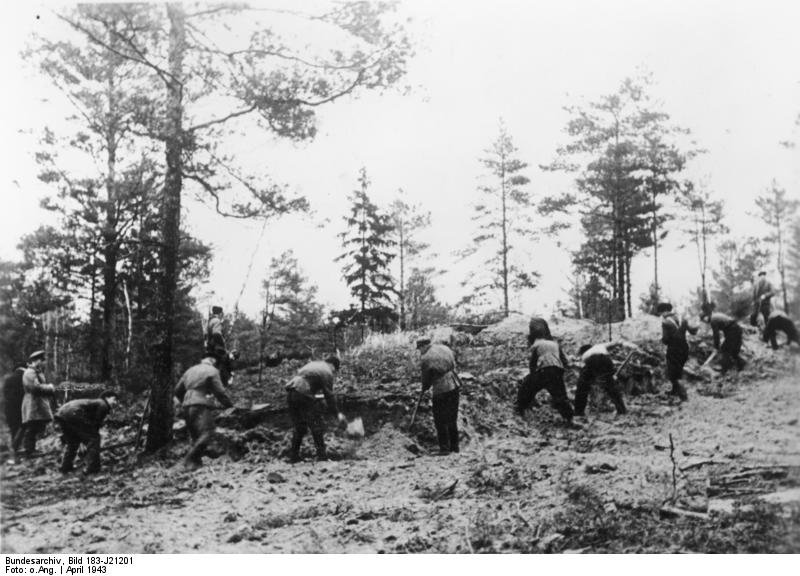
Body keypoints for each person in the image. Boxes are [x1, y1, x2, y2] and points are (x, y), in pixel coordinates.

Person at [174, 355, 234, 470]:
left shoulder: (189, 370)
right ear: (213, 362)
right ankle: (188, 460)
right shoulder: (212, 371)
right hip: (200, 405)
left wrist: (186, 401)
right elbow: (220, 392)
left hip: (187, 406)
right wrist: (229, 406)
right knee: (208, 432)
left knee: (195, 436)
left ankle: (195, 466)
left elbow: (177, 391)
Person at [285, 356, 346, 463]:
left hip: (291, 393)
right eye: (335, 370)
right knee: (316, 424)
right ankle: (322, 456)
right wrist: (338, 414)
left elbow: (308, 383)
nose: (334, 373)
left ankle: (293, 456)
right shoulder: (327, 371)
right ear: (333, 366)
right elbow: (329, 396)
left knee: (300, 426)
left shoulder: (314, 365)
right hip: (302, 392)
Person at [516, 328, 574, 424]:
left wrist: (532, 376)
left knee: (527, 387)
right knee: (560, 395)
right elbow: (565, 360)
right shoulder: (555, 344)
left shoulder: (536, 344)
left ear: (533, 339)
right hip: (558, 370)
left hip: (545, 370)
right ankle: (569, 418)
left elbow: (533, 363)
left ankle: (521, 408)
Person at [54, 390, 119, 474]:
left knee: (73, 442)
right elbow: (96, 425)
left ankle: (66, 467)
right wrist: (89, 442)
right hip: (74, 413)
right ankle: (93, 468)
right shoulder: (103, 404)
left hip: (62, 413)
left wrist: (83, 439)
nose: (116, 402)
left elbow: (88, 424)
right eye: (114, 399)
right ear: (107, 398)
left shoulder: (95, 403)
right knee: (94, 438)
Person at [417, 338, 461, 455]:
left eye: (420, 349)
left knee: (440, 419)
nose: (420, 352)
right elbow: (454, 363)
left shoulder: (426, 358)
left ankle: (444, 449)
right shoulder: (445, 348)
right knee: (452, 418)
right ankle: (455, 447)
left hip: (442, 388)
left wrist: (424, 388)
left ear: (424, 346)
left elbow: (426, 379)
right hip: (455, 383)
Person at [574, 343, 627, 418]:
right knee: (611, 386)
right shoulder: (600, 346)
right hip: (607, 360)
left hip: (593, 360)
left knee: (582, 387)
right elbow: (615, 343)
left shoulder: (586, 354)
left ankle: (578, 412)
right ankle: (622, 410)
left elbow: (590, 371)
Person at [658, 303, 697, 401]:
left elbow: (666, 339)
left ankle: (683, 396)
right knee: (678, 370)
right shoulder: (679, 318)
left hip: (674, 348)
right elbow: (692, 331)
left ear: (665, 311)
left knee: (672, 373)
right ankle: (675, 391)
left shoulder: (665, 322)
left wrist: (662, 340)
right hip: (684, 347)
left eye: (661, 312)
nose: (661, 315)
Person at [20, 350, 56, 457]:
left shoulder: (36, 371)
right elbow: (35, 388)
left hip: (37, 403)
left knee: (35, 427)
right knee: (32, 427)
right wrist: (49, 387)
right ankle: (29, 451)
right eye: (42, 360)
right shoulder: (30, 372)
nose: (44, 362)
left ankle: (31, 449)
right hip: (33, 404)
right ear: (36, 361)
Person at [701, 302, 746, 372]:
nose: (706, 322)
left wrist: (716, 347)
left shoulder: (713, 320)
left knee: (725, 349)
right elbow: (725, 327)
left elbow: (716, 335)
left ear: (706, 316)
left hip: (733, 330)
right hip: (736, 329)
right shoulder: (715, 316)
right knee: (733, 351)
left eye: (705, 320)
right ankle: (741, 364)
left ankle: (724, 369)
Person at [2, 365, 26, 455]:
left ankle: (16, 448)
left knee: (13, 428)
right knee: (23, 426)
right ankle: (18, 446)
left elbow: (5, 395)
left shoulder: (8, 379)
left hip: (9, 408)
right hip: (20, 407)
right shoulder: (25, 377)